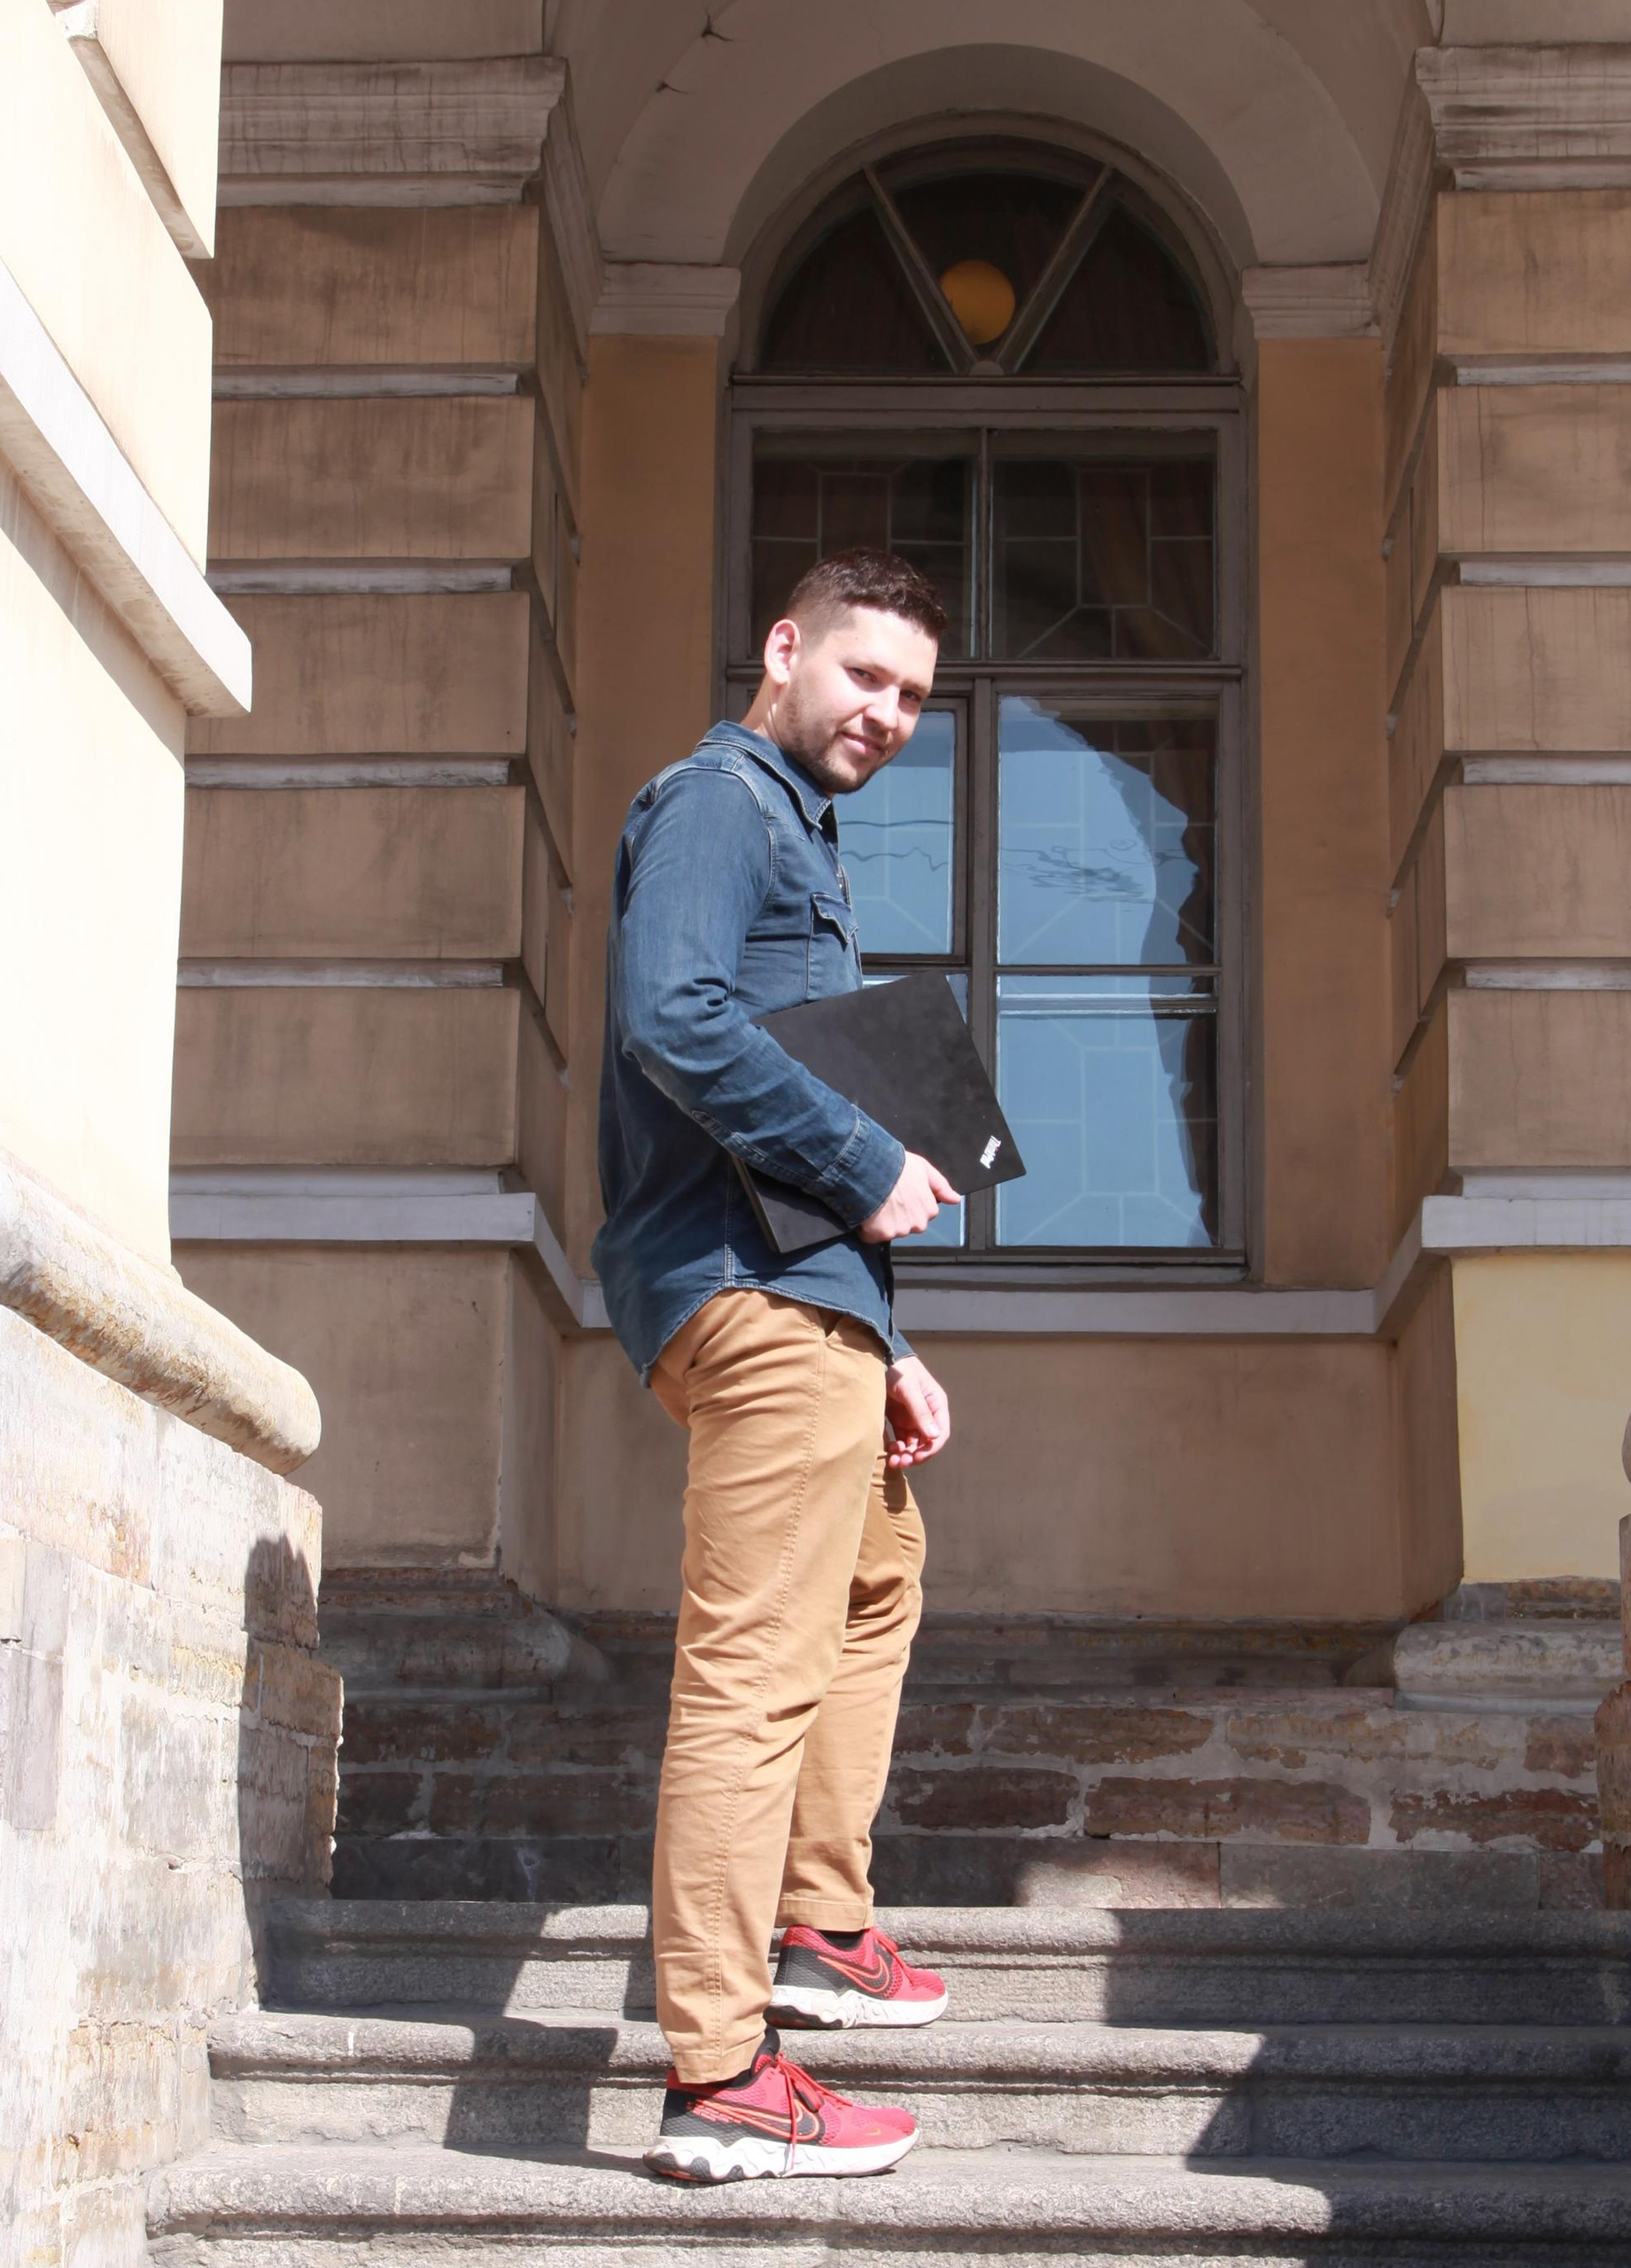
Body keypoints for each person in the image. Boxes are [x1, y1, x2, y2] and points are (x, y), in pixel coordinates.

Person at [592, 548, 961, 2185]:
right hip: (746, 1294)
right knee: (752, 1671)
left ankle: (819, 1919)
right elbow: (673, 1017)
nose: (887, 714)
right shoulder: (719, 803)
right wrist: (870, 1161)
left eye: (914, 699)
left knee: (879, 1579)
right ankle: (722, 2075)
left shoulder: (800, 834)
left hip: (811, 1298)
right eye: (865, 676)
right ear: (785, 645)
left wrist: (889, 1335)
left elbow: (775, 1063)